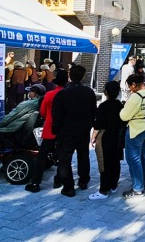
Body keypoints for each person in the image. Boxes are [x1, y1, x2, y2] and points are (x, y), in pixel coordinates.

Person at [52, 65, 97, 197]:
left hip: (66, 131)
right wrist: (92, 125)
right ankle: (83, 181)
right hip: (83, 129)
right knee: (83, 156)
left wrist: (56, 131)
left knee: (65, 159)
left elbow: (57, 115)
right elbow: (93, 112)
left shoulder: (62, 94)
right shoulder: (89, 92)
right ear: (83, 76)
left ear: (70, 76)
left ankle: (68, 187)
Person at [25, 70, 68, 193]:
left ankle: (35, 182)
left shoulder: (49, 95)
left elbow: (42, 112)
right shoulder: (68, 94)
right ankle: (58, 180)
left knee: (42, 156)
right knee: (63, 156)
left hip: (49, 128)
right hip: (63, 129)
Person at [120, 73, 145, 198]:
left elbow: (124, 116)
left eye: (130, 86)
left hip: (136, 129)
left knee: (133, 159)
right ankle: (144, 181)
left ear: (135, 85)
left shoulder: (136, 96)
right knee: (143, 155)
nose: (130, 89)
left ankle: (137, 188)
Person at [89, 81, 127, 200]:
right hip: (118, 136)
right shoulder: (120, 105)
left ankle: (103, 190)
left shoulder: (103, 106)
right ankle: (113, 185)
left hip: (106, 136)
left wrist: (93, 137)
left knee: (104, 162)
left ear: (106, 92)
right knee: (115, 160)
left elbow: (98, 124)